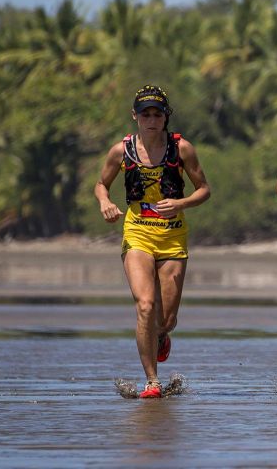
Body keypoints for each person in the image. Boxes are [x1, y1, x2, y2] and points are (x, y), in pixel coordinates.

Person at [94, 85, 211, 399]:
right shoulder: (121, 150)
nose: (151, 119)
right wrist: (105, 202)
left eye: (157, 114)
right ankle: (152, 382)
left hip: (173, 237)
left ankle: (161, 335)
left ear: (165, 117)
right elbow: (101, 184)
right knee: (145, 306)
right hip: (137, 234)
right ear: (135, 116)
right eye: (145, 113)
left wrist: (181, 203)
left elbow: (204, 189)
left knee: (166, 318)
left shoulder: (181, 149)